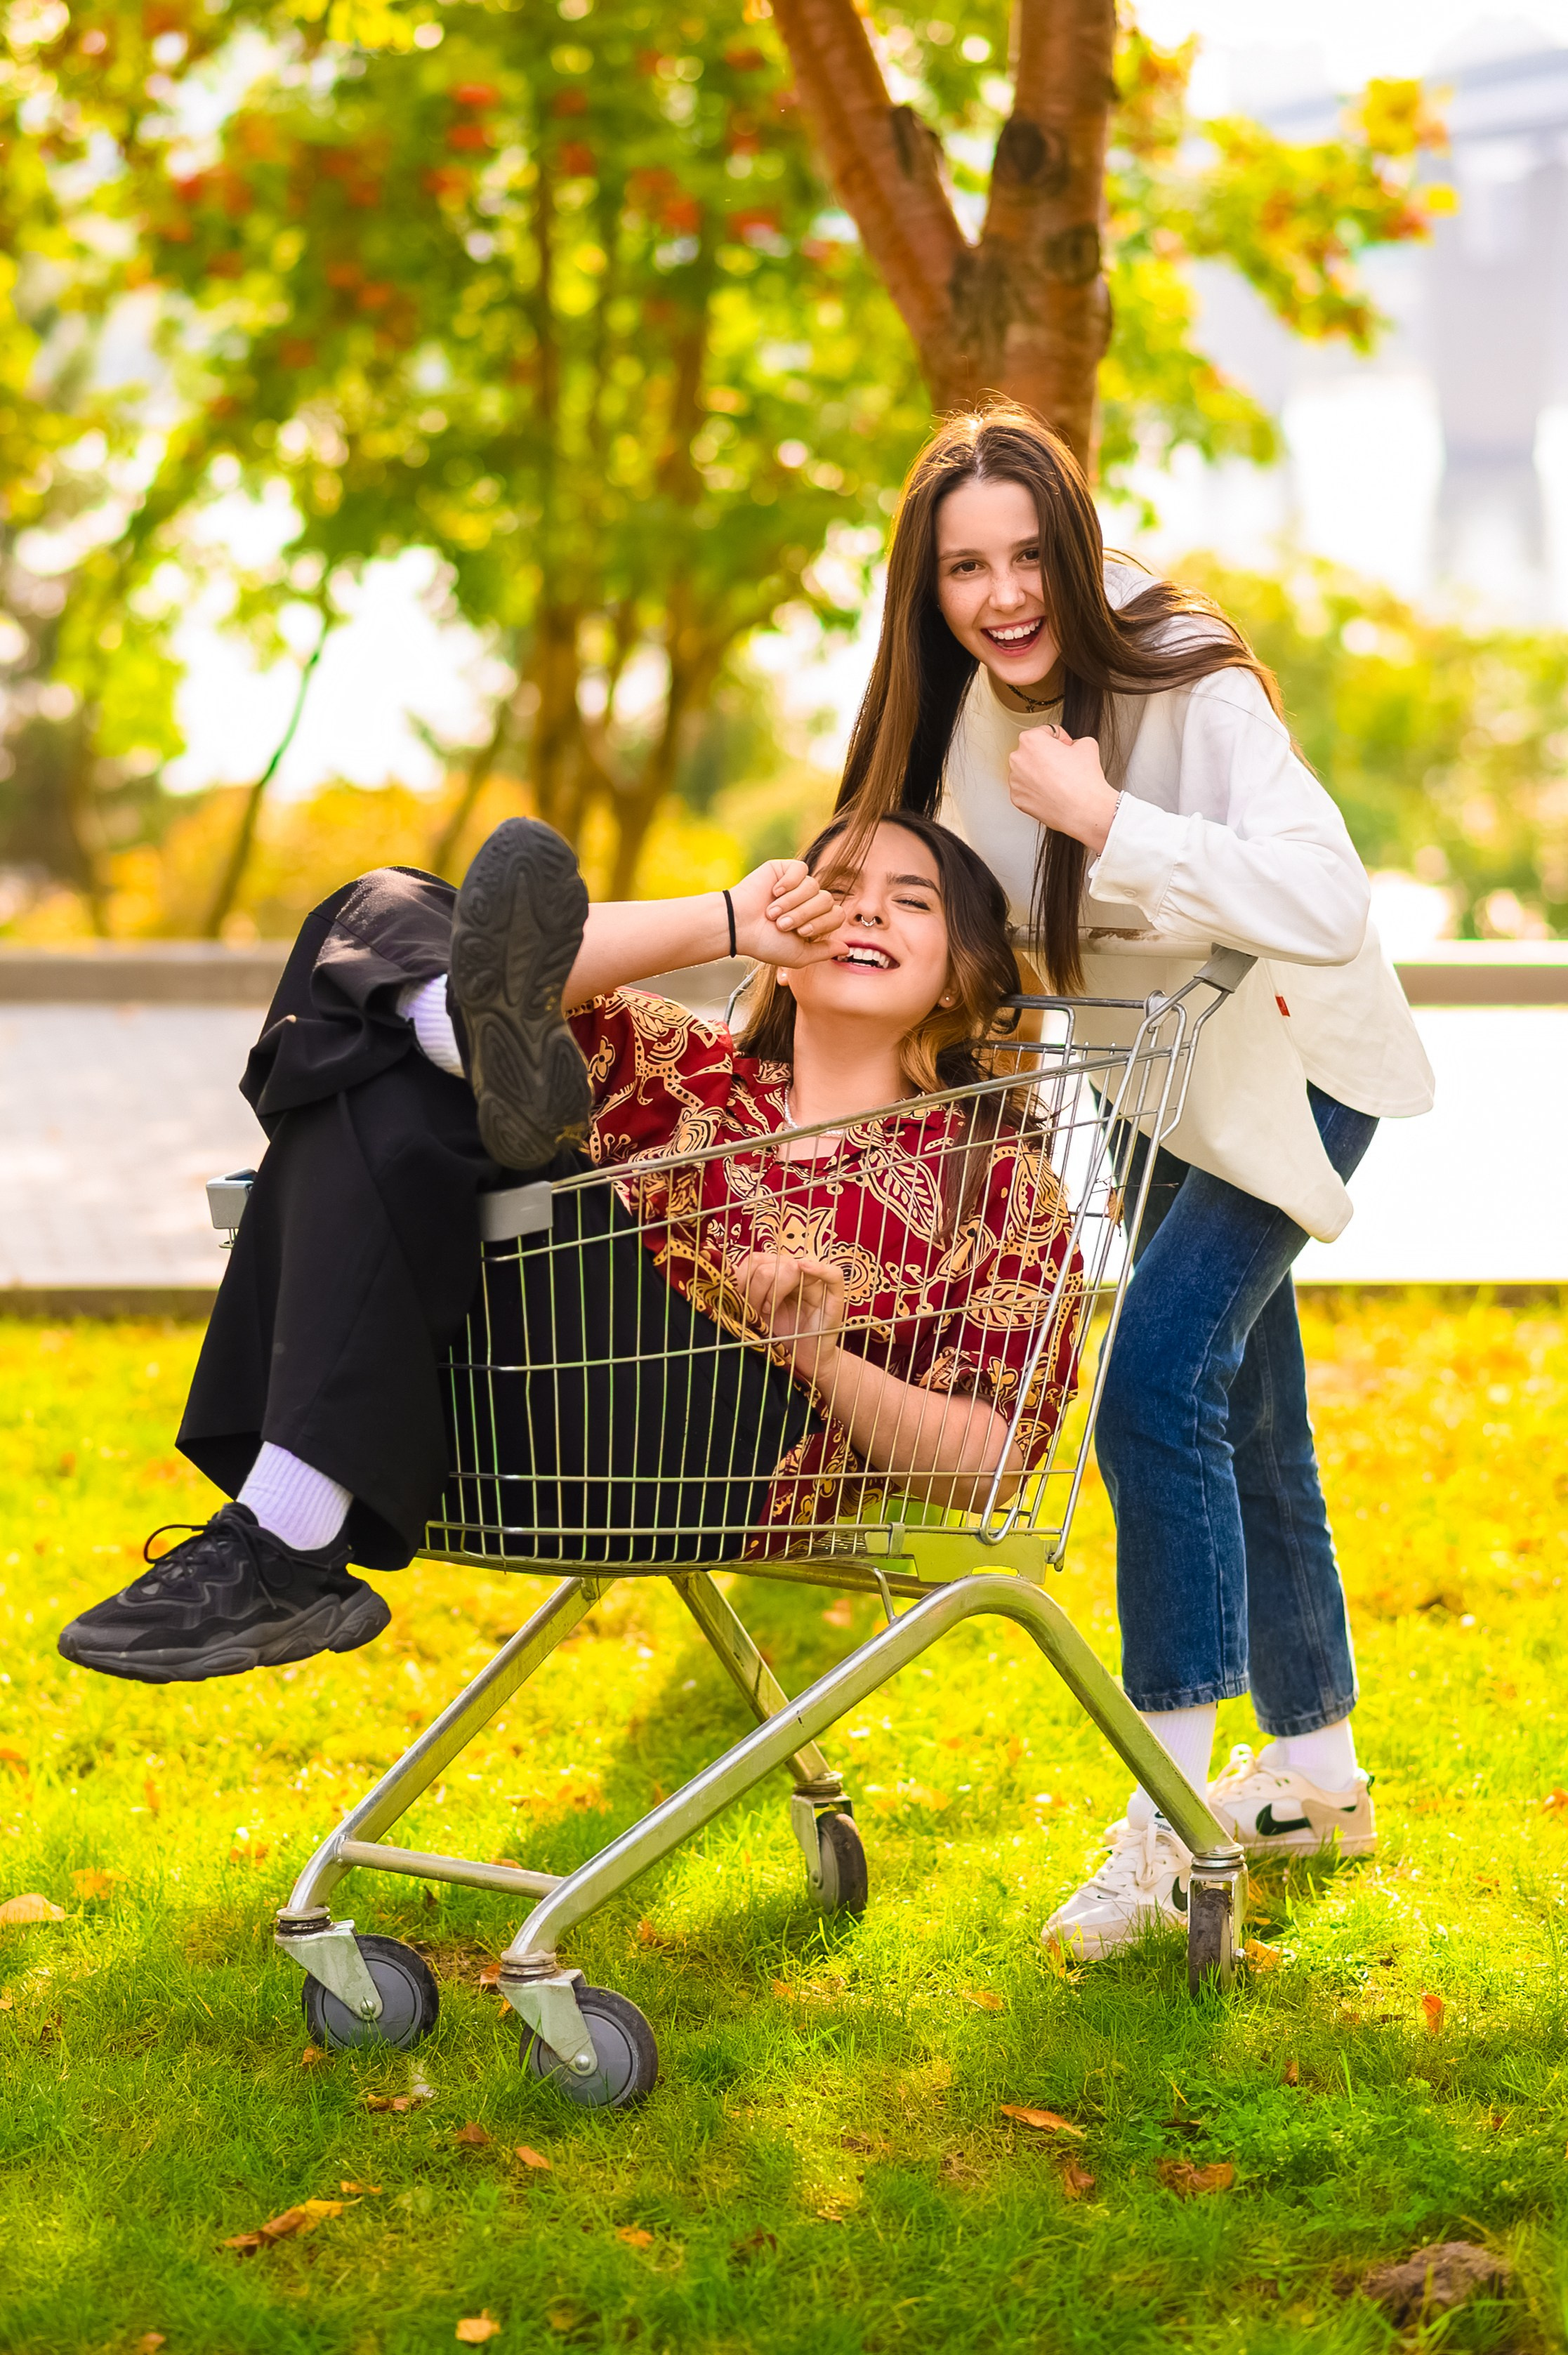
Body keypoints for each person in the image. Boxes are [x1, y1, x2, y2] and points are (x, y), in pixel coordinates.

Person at [834, 402, 1435, 1956]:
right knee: (1246, 1410)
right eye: (966, 568)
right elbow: (927, 929)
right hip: (1160, 1089)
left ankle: (1170, 1821)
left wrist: (1115, 822)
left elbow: (1320, 892)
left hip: (1295, 1072)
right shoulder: (951, 724)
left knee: (1151, 1384)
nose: (1005, 595)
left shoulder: (1188, 670)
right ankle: (1313, 1774)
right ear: (930, 587)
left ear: (1078, 548)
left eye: (1031, 554)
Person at [58, 812, 1080, 1684]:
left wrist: (820, 1355)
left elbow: (990, 1463)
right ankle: (445, 1029)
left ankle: (288, 1526)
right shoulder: (682, 1065)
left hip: (727, 1446)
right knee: (386, 909)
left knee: (401, 1078)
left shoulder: (992, 1178)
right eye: (837, 885)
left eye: (909, 900)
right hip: (516, 1404)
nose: (861, 908)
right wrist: (729, 916)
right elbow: (491, 956)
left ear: (961, 975)